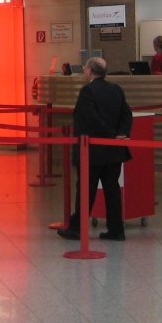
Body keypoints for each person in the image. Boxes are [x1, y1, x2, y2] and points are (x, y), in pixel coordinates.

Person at [58, 57, 133, 242]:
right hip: (113, 151)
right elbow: (126, 114)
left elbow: (90, 118)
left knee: (86, 190)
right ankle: (116, 230)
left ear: (90, 71)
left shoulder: (87, 91)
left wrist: (109, 134)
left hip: (92, 151)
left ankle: (77, 228)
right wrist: (120, 134)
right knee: (112, 190)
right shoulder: (116, 89)